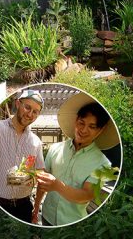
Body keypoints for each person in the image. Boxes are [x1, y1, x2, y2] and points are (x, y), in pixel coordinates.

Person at [32, 92, 120, 226]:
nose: (83, 130)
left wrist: (57, 185)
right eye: (81, 123)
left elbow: (86, 196)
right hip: (46, 216)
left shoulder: (104, 164)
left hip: (73, 223)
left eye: (92, 127)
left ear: (100, 130)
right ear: (75, 120)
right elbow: (43, 183)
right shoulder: (55, 149)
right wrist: (36, 206)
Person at [0, 90, 45, 223]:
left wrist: (32, 177)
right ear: (17, 104)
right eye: (27, 107)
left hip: (23, 205)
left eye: (35, 112)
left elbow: (40, 171)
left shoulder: (36, 141)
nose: (30, 114)